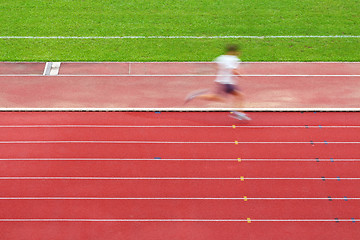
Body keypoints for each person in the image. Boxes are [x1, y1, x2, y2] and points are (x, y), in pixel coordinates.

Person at [185, 44, 250, 121]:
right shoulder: (234, 59)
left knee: (218, 98)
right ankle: (239, 113)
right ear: (234, 51)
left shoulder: (220, 58)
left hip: (221, 81)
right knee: (240, 95)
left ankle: (195, 95)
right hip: (227, 82)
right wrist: (241, 75)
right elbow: (234, 70)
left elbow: (214, 66)